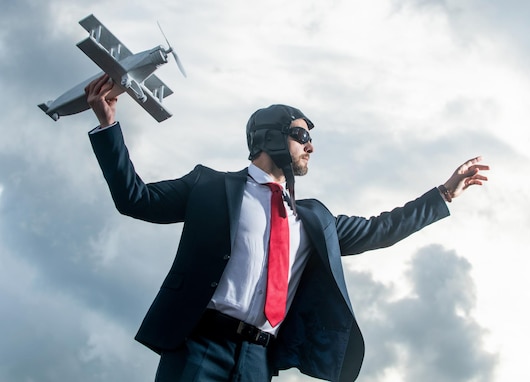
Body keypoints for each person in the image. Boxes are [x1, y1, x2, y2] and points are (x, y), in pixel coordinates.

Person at [85, 74, 489, 382]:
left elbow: (381, 228)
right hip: (199, 346)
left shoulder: (314, 219)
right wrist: (108, 127)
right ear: (269, 138)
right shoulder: (209, 186)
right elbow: (136, 199)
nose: (310, 145)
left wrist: (445, 193)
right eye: (301, 136)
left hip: (260, 360)